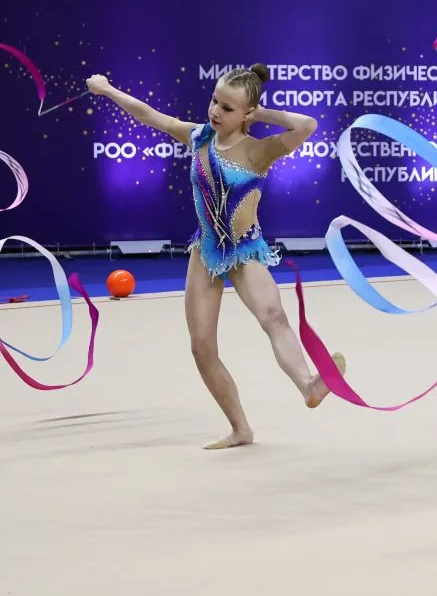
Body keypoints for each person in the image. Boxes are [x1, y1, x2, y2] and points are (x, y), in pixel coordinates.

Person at [85, 65, 347, 450]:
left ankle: (308, 384)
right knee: (202, 347)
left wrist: (263, 114)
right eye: (214, 101)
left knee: (273, 317)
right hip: (207, 251)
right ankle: (240, 429)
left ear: (247, 113)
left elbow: (307, 125)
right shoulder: (199, 138)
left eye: (227, 108)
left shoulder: (258, 151)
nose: (215, 112)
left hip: (245, 250)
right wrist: (108, 89)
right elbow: (149, 115)